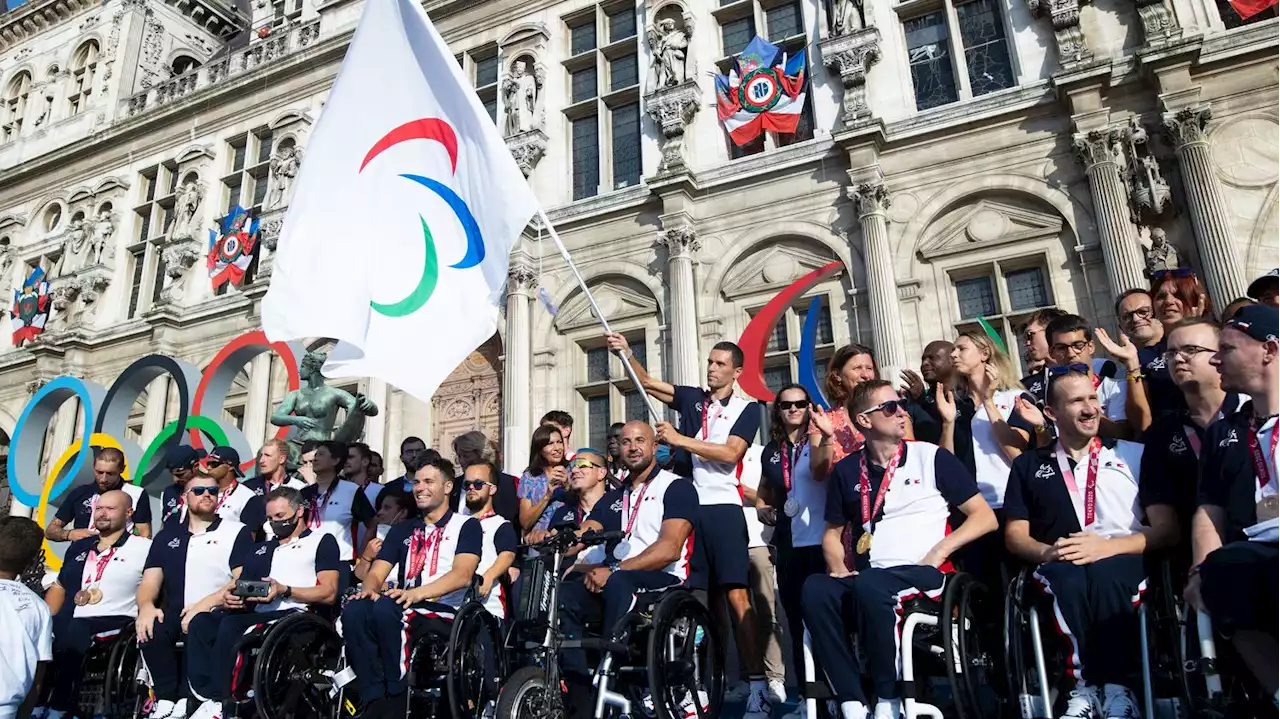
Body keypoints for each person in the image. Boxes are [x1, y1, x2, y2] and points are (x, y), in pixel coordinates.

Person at [803, 380, 997, 719]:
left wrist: (939, 552)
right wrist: (837, 567)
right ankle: (852, 702)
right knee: (816, 589)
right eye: (890, 407)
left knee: (870, 585)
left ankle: (889, 700)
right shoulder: (848, 470)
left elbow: (985, 518)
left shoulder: (931, 456)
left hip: (925, 573)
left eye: (901, 405)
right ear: (864, 420)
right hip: (870, 578)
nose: (902, 412)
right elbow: (832, 533)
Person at [607, 332, 772, 719]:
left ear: (737, 371)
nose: (712, 369)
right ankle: (707, 679)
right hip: (692, 508)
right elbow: (646, 383)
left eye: (719, 364)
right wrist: (626, 352)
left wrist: (682, 440)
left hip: (724, 508)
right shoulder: (693, 398)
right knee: (701, 600)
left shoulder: (747, 409)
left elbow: (731, 453)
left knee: (735, 596)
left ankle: (758, 687)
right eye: (710, 362)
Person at [1004, 366, 1177, 719]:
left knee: (1105, 576)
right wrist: (1048, 551)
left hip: (1124, 554)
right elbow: (1015, 535)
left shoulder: (1134, 454)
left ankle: (1117, 689)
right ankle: (1084, 690)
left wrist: (1105, 548)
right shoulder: (1028, 465)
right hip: (1061, 561)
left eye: (1093, 398)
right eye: (1077, 401)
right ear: (1050, 413)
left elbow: (1166, 529)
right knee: (1064, 578)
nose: (1089, 409)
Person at [557, 421, 699, 717]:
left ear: (653, 446)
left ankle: (616, 679)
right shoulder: (613, 497)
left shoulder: (676, 487)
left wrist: (615, 569)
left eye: (639, 441)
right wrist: (556, 540)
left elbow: (669, 548)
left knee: (621, 584)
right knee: (565, 594)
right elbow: (587, 532)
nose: (633, 447)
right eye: (625, 442)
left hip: (664, 580)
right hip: (616, 578)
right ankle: (579, 686)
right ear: (618, 449)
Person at [340, 452, 482, 719]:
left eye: (428, 481)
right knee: (355, 610)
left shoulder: (467, 525)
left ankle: (396, 694)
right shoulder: (402, 529)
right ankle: (373, 695)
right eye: (416, 482)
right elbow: (377, 573)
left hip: (444, 609)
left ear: (448, 487)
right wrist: (369, 588)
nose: (420, 488)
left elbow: (462, 574)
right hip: (401, 602)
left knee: (388, 610)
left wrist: (415, 594)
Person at [1187, 305, 1280, 709]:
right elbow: (1209, 509)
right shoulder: (1225, 430)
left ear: (1269, 350)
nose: (1213, 357)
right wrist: (1198, 571)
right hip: (1256, 548)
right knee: (1221, 575)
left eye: (1226, 348)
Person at [184, 487, 341, 719]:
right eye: (269, 518)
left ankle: (224, 699)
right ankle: (206, 696)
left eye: (279, 516)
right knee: (202, 623)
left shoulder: (321, 542)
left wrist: (284, 590)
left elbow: (328, 592)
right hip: (257, 610)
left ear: (299, 512)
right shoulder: (261, 548)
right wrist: (231, 599)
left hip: (294, 614)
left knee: (232, 627)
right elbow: (245, 586)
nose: (274, 523)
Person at [137, 474, 254, 719]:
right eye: (198, 490)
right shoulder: (166, 536)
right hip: (175, 610)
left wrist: (205, 604)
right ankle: (167, 699)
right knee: (150, 628)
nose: (207, 494)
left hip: (217, 611)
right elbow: (150, 580)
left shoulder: (235, 531)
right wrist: (146, 606)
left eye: (212, 490)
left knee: (200, 624)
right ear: (184, 497)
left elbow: (241, 579)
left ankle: (193, 698)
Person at [1138, 318, 1244, 580]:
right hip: (1196, 560)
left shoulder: (1251, 414)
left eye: (1191, 350)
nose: (1178, 359)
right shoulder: (1161, 434)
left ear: (1220, 356)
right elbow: (1163, 518)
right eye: (1171, 352)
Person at [41, 491, 152, 719]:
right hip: (78, 616)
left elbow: (155, 585)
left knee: (75, 630)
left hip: (117, 618)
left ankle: (60, 705)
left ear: (129, 513)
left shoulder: (143, 547)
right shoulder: (81, 547)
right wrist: (43, 621)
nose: (102, 513)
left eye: (110, 509)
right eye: (99, 508)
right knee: (45, 629)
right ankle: (35, 700)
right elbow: (60, 586)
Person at [758, 384, 827, 709]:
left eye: (800, 403)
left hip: (822, 539)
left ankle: (835, 693)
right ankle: (807, 697)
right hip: (788, 542)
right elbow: (766, 488)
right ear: (778, 411)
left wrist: (824, 437)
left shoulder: (820, 438)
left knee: (826, 620)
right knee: (797, 620)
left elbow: (820, 470)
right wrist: (761, 505)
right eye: (786, 405)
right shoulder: (771, 449)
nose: (793, 409)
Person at [939, 331, 1034, 507]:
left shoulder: (1015, 398)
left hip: (1008, 500)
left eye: (962, 349)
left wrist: (988, 402)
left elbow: (1016, 453)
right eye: (953, 350)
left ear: (984, 354)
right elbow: (946, 463)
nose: (953, 355)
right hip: (970, 507)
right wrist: (948, 423)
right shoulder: (955, 404)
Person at [735, 444, 787, 704]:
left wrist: (738, 490)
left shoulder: (762, 453)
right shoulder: (711, 456)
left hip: (759, 541)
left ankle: (775, 676)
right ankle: (748, 677)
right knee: (739, 614)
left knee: (767, 611)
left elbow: (774, 493)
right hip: (730, 541)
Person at [1043, 315, 1139, 438]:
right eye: (1061, 348)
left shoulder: (1114, 387)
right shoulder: (1049, 396)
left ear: (1091, 347)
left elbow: (1122, 435)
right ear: (1051, 353)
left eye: (1078, 345)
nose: (1071, 354)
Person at [46, 447, 152, 541]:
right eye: (99, 472)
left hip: (115, 557)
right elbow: (50, 531)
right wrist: (68, 534)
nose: (104, 479)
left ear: (122, 469)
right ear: (93, 467)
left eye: (110, 473)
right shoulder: (80, 493)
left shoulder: (136, 494)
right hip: (78, 556)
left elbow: (145, 535)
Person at [809, 344, 878, 481]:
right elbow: (818, 474)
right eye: (857, 368)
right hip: (845, 498)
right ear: (837, 375)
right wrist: (827, 438)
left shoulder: (891, 410)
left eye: (869, 368)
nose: (865, 375)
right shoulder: (825, 420)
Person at [300, 440, 375, 564]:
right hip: (307, 560)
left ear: (335, 460)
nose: (315, 459)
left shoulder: (351, 490)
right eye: (316, 455)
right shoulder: (305, 493)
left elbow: (372, 523)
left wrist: (362, 556)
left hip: (340, 562)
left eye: (321, 454)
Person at [460, 462, 518, 620]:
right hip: (454, 605)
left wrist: (488, 577)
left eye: (478, 484)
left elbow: (507, 555)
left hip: (487, 608)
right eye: (467, 484)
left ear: (492, 489)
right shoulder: (455, 524)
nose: (471, 488)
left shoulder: (500, 524)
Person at [1116, 289, 1185, 422]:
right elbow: (1140, 423)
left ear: (1156, 312)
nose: (1136, 319)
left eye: (1143, 312)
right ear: (1121, 326)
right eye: (1127, 317)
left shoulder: (1184, 342)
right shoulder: (1122, 373)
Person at [548, 449, 615, 570]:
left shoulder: (617, 507)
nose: (574, 470)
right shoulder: (562, 512)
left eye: (583, 465)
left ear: (601, 472)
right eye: (572, 466)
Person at [453, 431, 520, 524]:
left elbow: (511, 516)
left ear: (481, 454)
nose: (461, 461)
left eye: (466, 456)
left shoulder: (508, 483)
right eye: (459, 456)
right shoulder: (454, 485)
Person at [197, 446, 266, 533]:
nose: (209, 468)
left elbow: (250, 536)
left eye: (214, 464)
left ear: (230, 466)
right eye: (208, 464)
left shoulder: (247, 496)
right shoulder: (202, 492)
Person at [354, 488, 416, 583]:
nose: (380, 512)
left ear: (403, 513)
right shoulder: (374, 539)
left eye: (387, 508)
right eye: (380, 508)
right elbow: (358, 577)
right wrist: (366, 558)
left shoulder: (413, 541)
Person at [517, 424, 569, 537]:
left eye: (559, 442)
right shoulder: (529, 478)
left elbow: (583, 504)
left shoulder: (572, 470)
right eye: (550, 444)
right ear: (539, 449)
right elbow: (525, 522)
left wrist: (567, 486)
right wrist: (547, 496)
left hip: (566, 538)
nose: (557, 448)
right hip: (539, 542)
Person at [900, 340, 953, 444]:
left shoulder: (966, 398)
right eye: (923, 359)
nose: (925, 363)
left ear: (952, 361)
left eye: (933, 358)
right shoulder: (917, 400)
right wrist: (920, 402)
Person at [160, 446, 204, 533]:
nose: (175, 480)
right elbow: (164, 524)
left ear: (195, 467)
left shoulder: (210, 492)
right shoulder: (169, 492)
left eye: (180, 474)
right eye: (172, 474)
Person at [1021, 308, 1069, 382]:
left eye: (1029, 335)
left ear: (1050, 332)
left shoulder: (1086, 373)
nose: (1027, 343)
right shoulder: (1028, 386)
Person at [605, 422, 628, 486]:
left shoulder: (635, 468)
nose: (612, 441)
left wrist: (609, 476)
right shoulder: (605, 467)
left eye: (617, 437)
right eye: (609, 438)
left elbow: (629, 492)